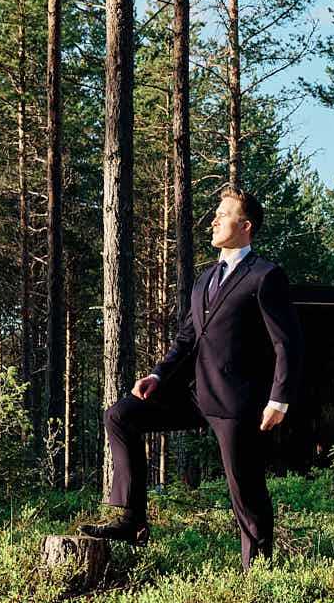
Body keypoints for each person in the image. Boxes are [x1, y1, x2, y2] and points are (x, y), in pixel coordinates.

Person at [82, 186, 304, 568]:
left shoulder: (266, 276)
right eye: (215, 213)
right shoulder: (204, 280)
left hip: (238, 404)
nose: (214, 220)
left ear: (246, 226)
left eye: (224, 214)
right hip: (194, 394)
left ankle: (260, 577)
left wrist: (278, 400)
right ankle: (133, 520)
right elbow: (188, 338)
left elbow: (289, 343)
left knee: (246, 494)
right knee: (121, 415)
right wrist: (157, 375)